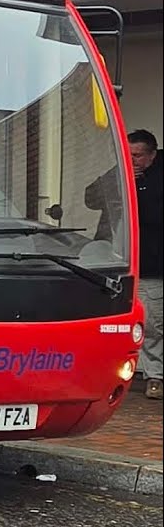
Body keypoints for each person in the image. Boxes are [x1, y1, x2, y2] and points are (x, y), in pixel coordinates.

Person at [128, 130, 162, 399]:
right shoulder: (122, 172)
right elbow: (91, 198)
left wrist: (137, 189)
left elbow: (150, 215)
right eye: (129, 154)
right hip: (126, 263)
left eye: (137, 155)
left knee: (153, 324)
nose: (132, 160)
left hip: (153, 263)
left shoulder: (157, 181)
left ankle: (155, 377)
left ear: (151, 155)